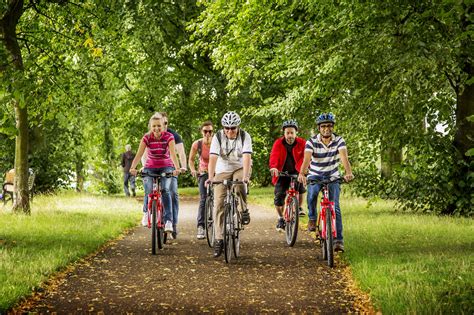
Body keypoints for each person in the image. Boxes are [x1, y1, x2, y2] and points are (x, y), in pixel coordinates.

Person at [298, 113, 354, 252]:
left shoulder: (339, 140)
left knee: (335, 207)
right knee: (311, 195)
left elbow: (344, 157)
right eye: (323, 126)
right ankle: (312, 218)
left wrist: (348, 172)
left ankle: (338, 241)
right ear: (319, 128)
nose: (326, 129)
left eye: (329, 126)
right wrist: (302, 173)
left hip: (332, 176)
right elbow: (306, 159)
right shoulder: (311, 142)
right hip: (315, 175)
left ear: (333, 127)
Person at [206, 111, 252, 258]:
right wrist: (211, 177)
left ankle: (243, 209)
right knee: (218, 203)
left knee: (239, 184)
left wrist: (245, 177)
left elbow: (246, 157)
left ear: (238, 127)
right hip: (223, 168)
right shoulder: (218, 137)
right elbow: (212, 158)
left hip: (240, 167)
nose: (230, 131)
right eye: (227, 128)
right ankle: (219, 239)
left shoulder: (245, 136)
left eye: (233, 128)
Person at [129, 112, 180, 234]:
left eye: (159, 126)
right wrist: (132, 167)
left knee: (165, 190)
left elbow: (173, 154)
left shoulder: (169, 137)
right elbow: (139, 154)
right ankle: (146, 213)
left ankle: (168, 221)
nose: (156, 128)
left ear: (163, 126)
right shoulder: (146, 138)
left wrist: (176, 169)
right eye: (154, 126)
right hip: (150, 167)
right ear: (150, 127)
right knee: (148, 190)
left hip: (166, 166)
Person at [269, 120, 307, 232]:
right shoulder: (278, 143)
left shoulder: (302, 143)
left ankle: (299, 207)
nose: (290, 135)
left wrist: (302, 170)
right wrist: (274, 167)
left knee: (300, 188)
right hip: (282, 173)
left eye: (292, 133)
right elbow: (274, 156)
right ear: (284, 133)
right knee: (279, 197)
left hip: (297, 172)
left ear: (296, 133)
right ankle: (280, 218)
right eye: (287, 133)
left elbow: (305, 157)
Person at [160, 112, 187, 239]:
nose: (163, 126)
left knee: (173, 193)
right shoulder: (152, 134)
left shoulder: (173, 135)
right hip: (155, 167)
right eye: (161, 123)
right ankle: (152, 213)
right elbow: (145, 152)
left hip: (171, 168)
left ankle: (173, 223)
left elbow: (181, 152)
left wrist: (183, 166)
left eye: (166, 123)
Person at [188, 121, 214, 240]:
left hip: (216, 172)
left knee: (221, 198)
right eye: (205, 131)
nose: (207, 133)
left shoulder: (217, 143)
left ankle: (222, 224)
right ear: (201, 132)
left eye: (210, 131)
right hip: (203, 172)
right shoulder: (197, 144)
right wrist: (193, 170)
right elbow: (191, 160)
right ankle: (201, 226)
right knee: (203, 198)